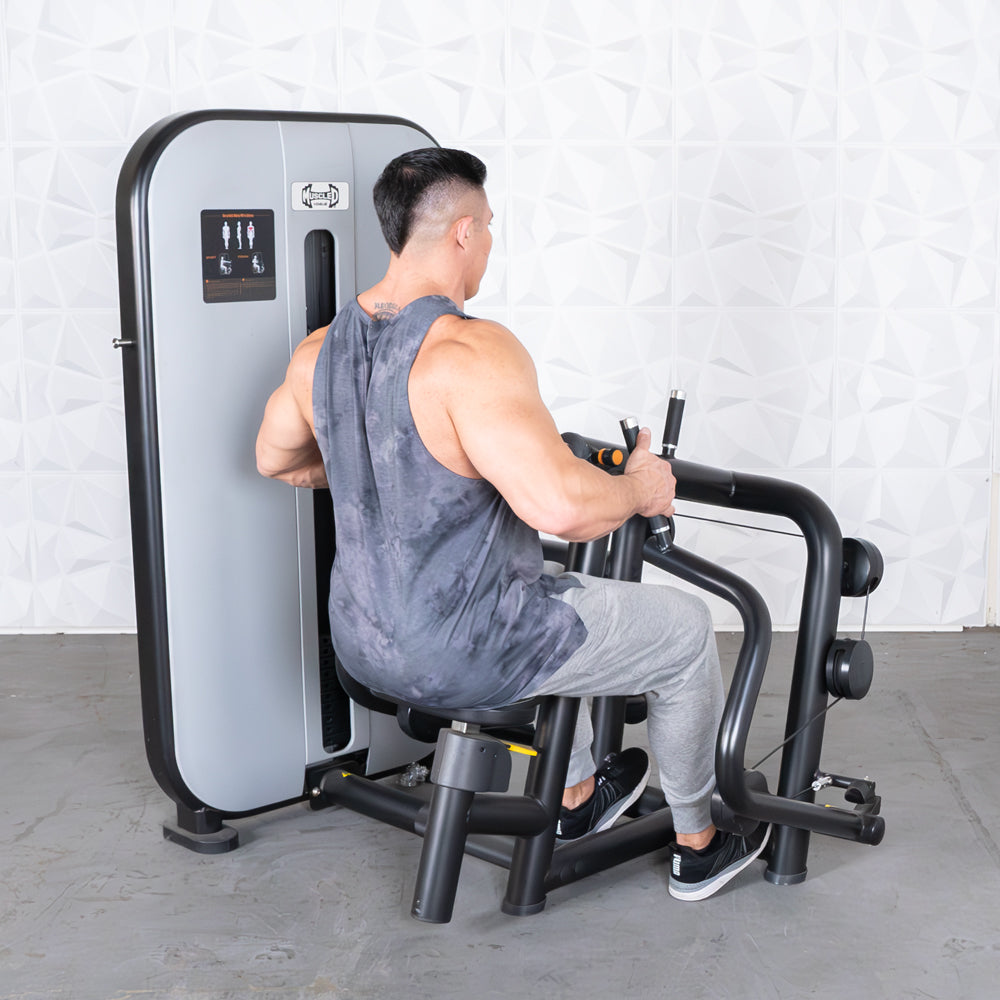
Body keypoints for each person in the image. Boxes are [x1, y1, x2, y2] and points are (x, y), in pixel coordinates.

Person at [255, 147, 768, 901]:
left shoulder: (317, 353)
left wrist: (397, 473)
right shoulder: (472, 351)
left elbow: (277, 460)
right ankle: (699, 842)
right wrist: (639, 487)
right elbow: (561, 508)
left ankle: (575, 793)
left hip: (361, 645)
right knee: (685, 630)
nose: (491, 242)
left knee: (560, 588)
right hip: (466, 649)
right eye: (489, 227)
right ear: (463, 231)